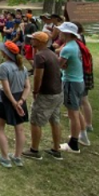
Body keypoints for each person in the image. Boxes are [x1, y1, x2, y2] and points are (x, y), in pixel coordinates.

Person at [22, 32, 64, 161]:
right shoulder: (51, 53)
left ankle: (34, 150)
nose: (31, 41)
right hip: (58, 92)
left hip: (47, 93)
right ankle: (56, 149)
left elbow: (38, 76)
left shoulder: (40, 55)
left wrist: (35, 91)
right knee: (54, 120)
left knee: (35, 121)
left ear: (40, 42)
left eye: (33, 39)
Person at [0, 41, 31, 168]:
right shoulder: (23, 67)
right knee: (19, 129)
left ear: (6, 53)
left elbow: (6, 88)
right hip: (20, 99)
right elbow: (27, 87)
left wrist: (14, 103)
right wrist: (21, 101)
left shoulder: (4, 67)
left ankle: (5, 158)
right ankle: (17, 157)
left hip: (5, 100)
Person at [56, 22, 88, 153]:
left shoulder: (67, 48)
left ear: (67, 34)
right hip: (79, 81)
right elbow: (65, 64)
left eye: (61, 31)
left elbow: (58, 64)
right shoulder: (75, 45)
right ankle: (82, 135)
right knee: (77, 111)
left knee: (72, 113)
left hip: (71, 82)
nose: (59, 33)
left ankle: (73, 144)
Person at [75, 23, 94, 133]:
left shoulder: (77, 41)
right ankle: (86, 123)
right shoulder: (80, 39)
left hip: (82, 73)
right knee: (82, 100)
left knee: (84, 100)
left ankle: (88, 124)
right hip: (83, 72)